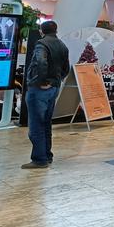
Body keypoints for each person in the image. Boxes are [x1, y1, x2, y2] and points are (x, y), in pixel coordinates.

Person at [22, 21, 70, 169]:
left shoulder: (41, 44)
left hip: (39, 89)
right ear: (56, 30)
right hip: (53, 89)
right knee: (46, 124)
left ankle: (39, 159)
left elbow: (41, 62)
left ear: (42, 31)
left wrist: (42, 81)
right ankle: (47, 155)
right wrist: (55, 81)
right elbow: (66, 68)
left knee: (36, 125)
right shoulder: (62, 45)